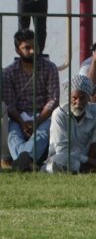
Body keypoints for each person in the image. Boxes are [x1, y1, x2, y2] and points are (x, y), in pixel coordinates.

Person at [44, 75, 96, 173]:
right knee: (59, 160)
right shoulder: (59, 114)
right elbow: (61, 150)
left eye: (82, 98)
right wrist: (91, 161)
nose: (78, 103)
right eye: (74, 98)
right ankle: (89, 168)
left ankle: (86, 168)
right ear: (69, 97)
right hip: (67, 157)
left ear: (88, 98)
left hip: (90, 155)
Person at [3, 29, 58, 171]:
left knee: (42, 134)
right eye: (27, 47)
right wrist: (22, 123)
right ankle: (27, 161)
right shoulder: (9, 72)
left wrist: (37, 121)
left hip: (43, 115)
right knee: (13, 135)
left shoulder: (49, 68)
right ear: (17, 50)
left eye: (35, 46)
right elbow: (9, 104)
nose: (33, 51)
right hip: (18, 117)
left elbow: (53, 100)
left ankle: (21, 161)